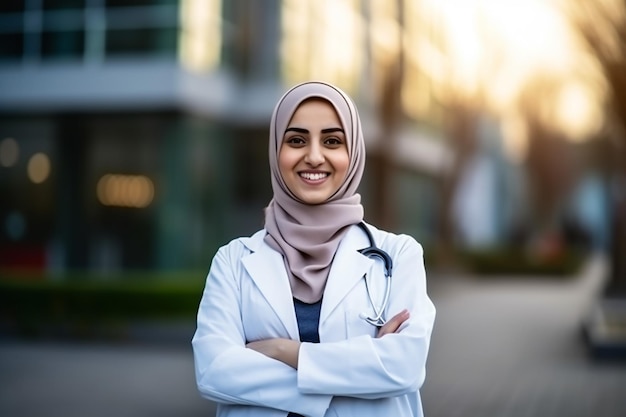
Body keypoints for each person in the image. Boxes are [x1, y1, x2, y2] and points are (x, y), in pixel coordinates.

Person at [192, 81, 436, 417]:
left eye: (333, 141)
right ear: (276, 150)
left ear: (354, 155)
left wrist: (285, 351)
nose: (314, 156)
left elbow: (404, 367)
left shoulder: (399, 254)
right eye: (296, 140)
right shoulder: (232, 261)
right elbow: (214, 370)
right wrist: (359, 375)